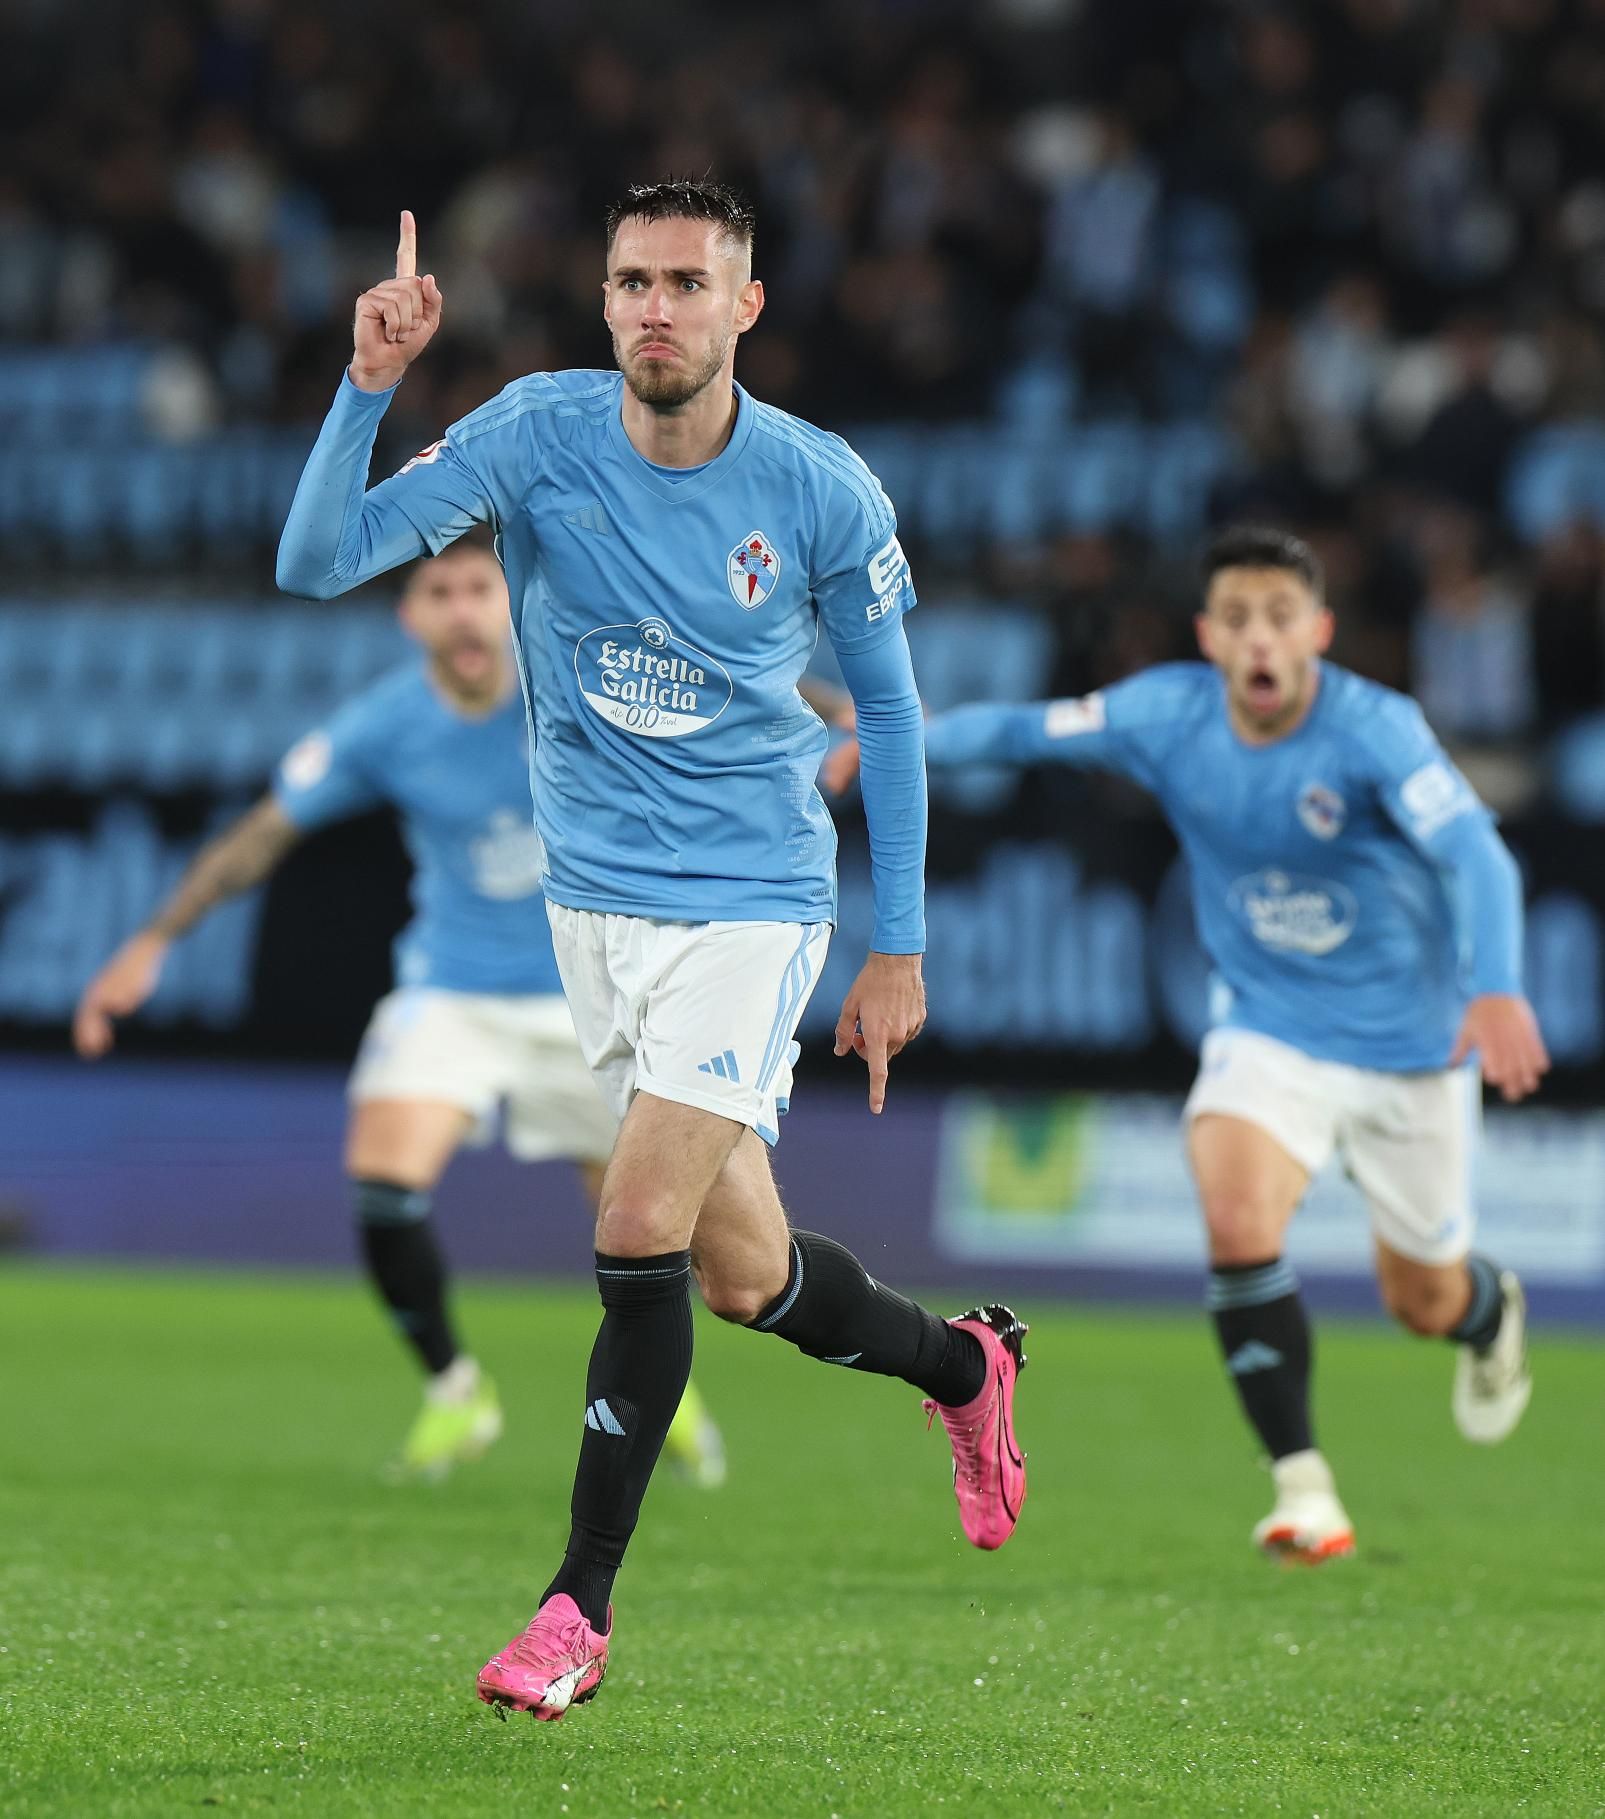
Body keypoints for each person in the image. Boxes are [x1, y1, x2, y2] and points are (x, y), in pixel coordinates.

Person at [275, 181, 1029, 1721]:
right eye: (632, 280)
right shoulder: (529, 435)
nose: (656, 308)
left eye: (689, 280)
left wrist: (899, 945)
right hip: (592, 912)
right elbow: (316, 559)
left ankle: (575, 1607)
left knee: (630, 1224)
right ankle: (965, 1367)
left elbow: (885, 713)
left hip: (752, 903)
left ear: (745, 303)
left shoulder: (819, 489)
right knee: (745, 1276)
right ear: (603, 298)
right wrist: (368, 382)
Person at [844, 523, 1546, 1564]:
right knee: (1234, 1211)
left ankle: (1489, 1314)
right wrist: (895, 738)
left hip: (1413, 1050)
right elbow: (1022, 731)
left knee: (1424, 1298)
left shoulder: (1377, 730)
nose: (1260, 639)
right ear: (1209, 634)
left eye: (1280, 617)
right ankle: (1303, 1487)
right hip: (1268, 1029)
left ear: (1319, 630)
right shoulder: (1166, 712)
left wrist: (1496, 990)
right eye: (1239, 618)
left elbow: (1478, 856)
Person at [74, 534, 726, 1490]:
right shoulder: (383, 725)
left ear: (510, 605)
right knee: (382, 1178)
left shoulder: (585, 683)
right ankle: (456, 1387)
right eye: (438, 591)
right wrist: (153, 938)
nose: (461, 607)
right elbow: (262, 832)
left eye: (477, 587)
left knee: (642, 1226)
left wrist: (848, 718)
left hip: (589, 991)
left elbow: (737, 694)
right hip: (451, 987)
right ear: (409, 616)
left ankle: (658, 1393)